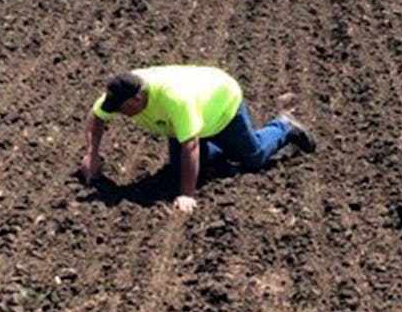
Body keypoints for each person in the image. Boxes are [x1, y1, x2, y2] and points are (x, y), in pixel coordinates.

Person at [79, 65, 315, 213]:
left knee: (253, 158)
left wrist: (186, 195)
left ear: (138, 99)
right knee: (179, 170)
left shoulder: (175, 99)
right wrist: (92, 154)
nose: (118, 113)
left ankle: (284, 126)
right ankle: (224, 148)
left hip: (221, 105)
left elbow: (189, 144)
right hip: (188, 117)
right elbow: (97, 116)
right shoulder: (121, 90)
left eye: (122, 108)